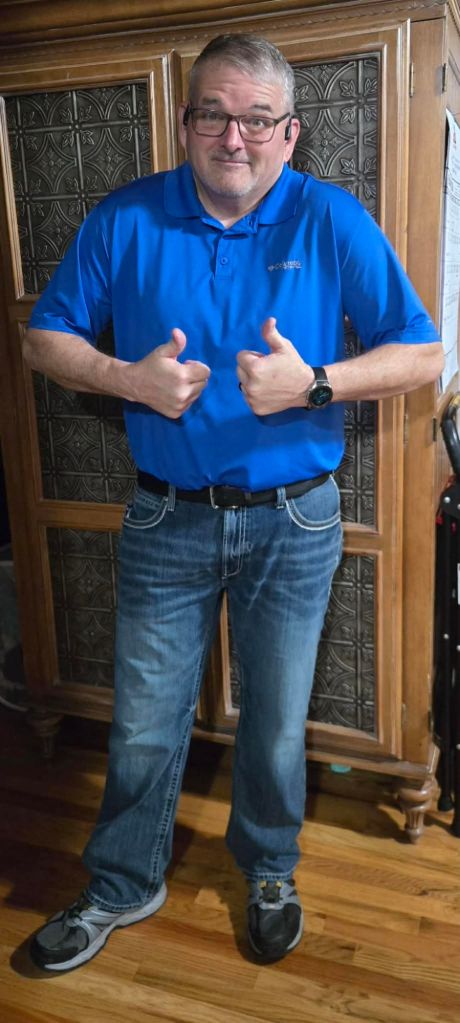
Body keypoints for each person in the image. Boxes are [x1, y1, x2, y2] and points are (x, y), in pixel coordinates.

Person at [24, 33, 443, 972]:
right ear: (186, 124)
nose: (234, 137)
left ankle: (269, 870)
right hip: (164, 514)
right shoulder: (125, 217)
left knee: (277, 720)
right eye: (213, 114)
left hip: (294, 521)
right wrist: (127, 380)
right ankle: (122, 883)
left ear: (290, 133)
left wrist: (317, 383)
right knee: (143, 720)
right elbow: (43, 339)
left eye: (258, 119)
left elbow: (422, 353)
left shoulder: (330, 219)